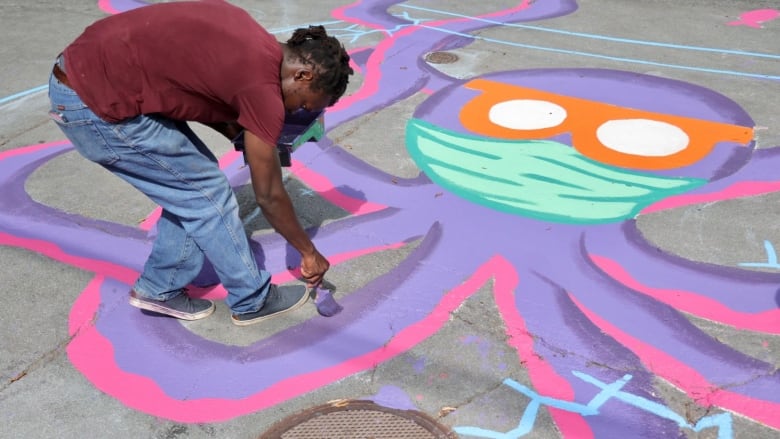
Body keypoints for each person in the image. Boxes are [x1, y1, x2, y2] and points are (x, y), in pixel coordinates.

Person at [47, 1, 353, 326]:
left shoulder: (252, 38)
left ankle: (160, 287)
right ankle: (252, 300)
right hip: (94, 104)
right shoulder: (261, 88)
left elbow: (194, 95)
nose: (296, 112)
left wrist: (244, 136)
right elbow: (269, 195)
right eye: (304, 103)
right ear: (303, 75)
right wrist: (308, 252)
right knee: (207, 195)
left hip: (87, 71)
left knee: (190, 187)